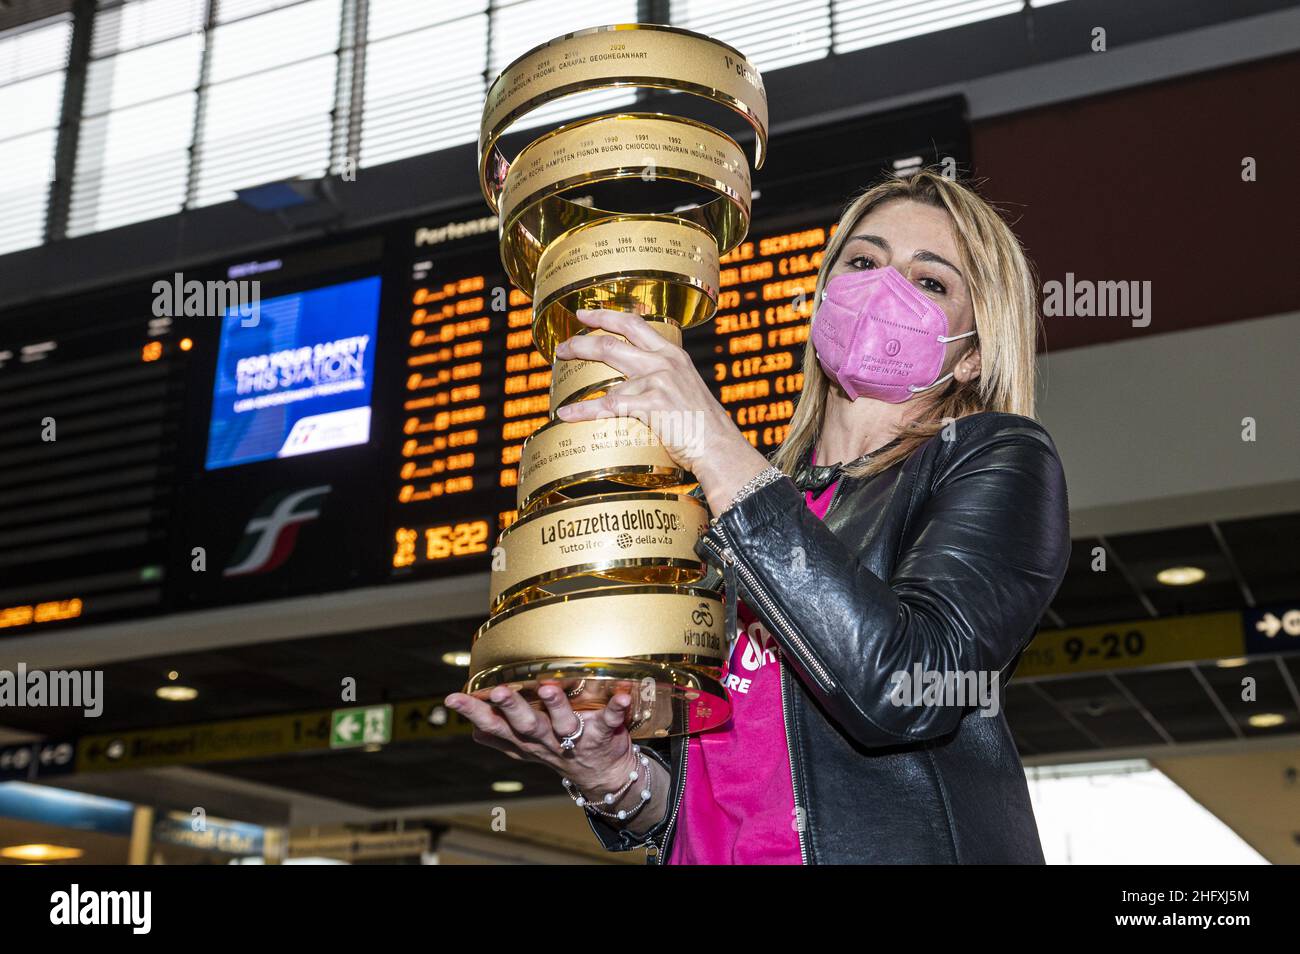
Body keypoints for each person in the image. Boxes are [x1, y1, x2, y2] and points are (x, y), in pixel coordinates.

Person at [445, 168, 1071, 864]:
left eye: (930, 282)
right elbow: (712, 789)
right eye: (862, 262)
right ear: (824, 297)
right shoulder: (740, 512)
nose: (882, 290)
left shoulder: (996, 457)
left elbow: (906, 687)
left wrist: (715, 445)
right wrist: (611, 776)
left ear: (974, 353)